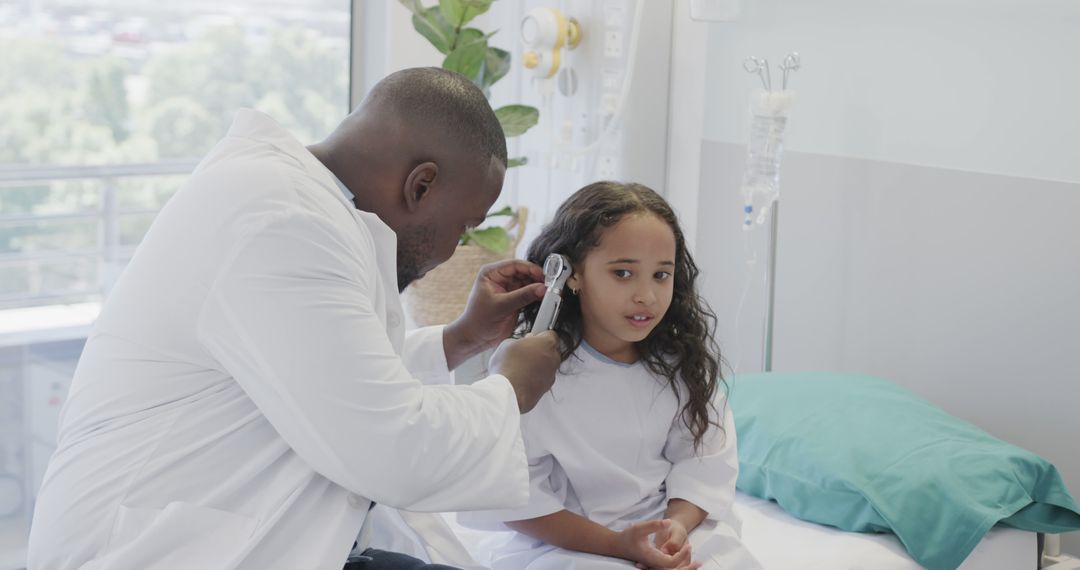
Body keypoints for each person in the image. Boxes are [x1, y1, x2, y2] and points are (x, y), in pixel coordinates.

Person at [27, 68, 561, 570]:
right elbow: (389, 447)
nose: (454, 249)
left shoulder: (295, 203)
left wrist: (459, 340)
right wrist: (512, 386)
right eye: (464, 226)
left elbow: (329, 378)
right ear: (420, 186)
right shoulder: (283, 221)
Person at [460, 182, 763, 569]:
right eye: (623, 273)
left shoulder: (684, 366)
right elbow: (516, 499)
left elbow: (704, 465)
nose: (647, 296)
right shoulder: (533, 370)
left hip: (672, 529)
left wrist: (673, 531)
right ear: (572, 275)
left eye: (661, 275)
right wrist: (620, 546)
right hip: (572, 543)